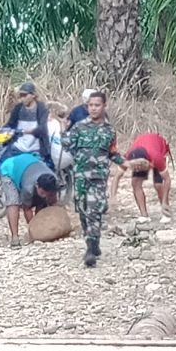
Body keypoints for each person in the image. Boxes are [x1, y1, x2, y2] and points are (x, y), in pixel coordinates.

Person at [63, 90, 120, 267]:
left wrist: (126, 163)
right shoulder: (78, 128)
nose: (94, 108)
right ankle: (93, 241)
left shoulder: (109, 131)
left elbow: (112, 153)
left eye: (97, 105)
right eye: (91, 105)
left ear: (104, 106)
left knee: (94, 210)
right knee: (82, 210)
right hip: (80, 176)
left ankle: (90, 247)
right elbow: (67, 146)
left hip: (98, 178)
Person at [0, 146, 63, 246]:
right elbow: (27, 209)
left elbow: (52, 203)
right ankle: (15, 237)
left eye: (47, 193)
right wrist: (34, 230)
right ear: (37, 185)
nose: (45, 195)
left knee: (42, 201)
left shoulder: (54, 181)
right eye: (43, 193)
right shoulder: (28, 188)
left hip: (31, 164)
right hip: (10, 169)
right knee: (13, 202)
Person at [5, 82, 55, 172]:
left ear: (33, 95)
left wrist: (26, 131)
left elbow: (43, 129)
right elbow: (10, 124)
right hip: (18, 147)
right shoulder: (18, 108)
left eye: (24, 95)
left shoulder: (41, 108)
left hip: (35, 150)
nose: (22, 98)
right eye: (20, 95)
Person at [124, 130, 171, 221]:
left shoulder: (156, 157)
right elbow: (117, 176)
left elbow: (167, 180)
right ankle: (144, 215)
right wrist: (113, 196)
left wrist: (165, 200)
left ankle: (166, 212)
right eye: (136, 167)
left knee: (158, 184)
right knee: (135, 183)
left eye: (140, 167)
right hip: (142, 153)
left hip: (157, 149)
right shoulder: (128, 156)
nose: (138, 169)